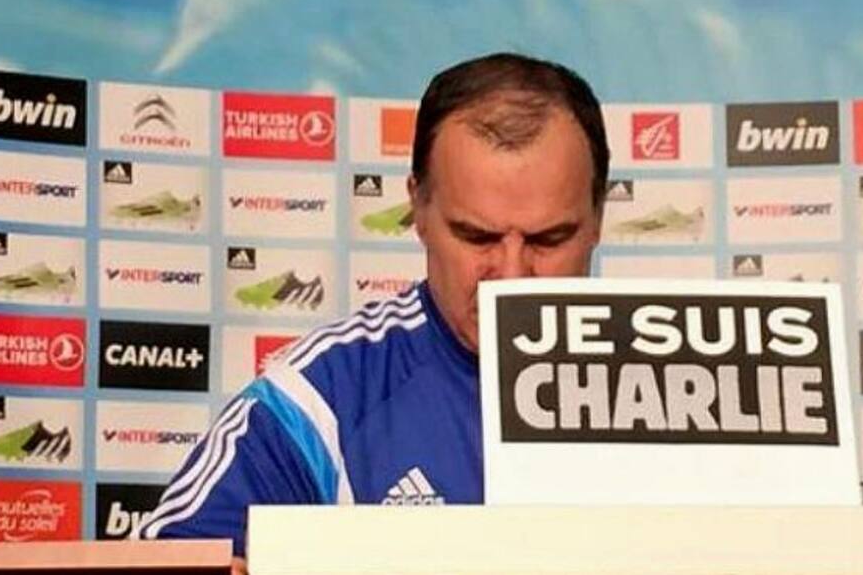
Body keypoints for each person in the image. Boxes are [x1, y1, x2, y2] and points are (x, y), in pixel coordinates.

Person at [140, 52, 610, 569]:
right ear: (418, 210)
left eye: (549, 239)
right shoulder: (321, 399)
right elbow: (170, 562)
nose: (512, 276)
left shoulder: (681, 379)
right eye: (477, 237)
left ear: (599, 217)